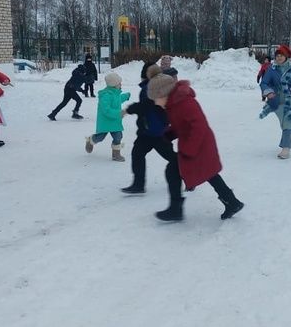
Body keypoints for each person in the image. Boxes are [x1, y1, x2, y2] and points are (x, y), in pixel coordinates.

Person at [146, 74, 244, 222]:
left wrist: (189, 150)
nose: (155, 102)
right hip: (195, 143)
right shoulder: (174, 103)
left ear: (163, 93)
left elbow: (199, 126)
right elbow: (183, 125)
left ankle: (175, 209)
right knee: (208, 173)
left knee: (175, 171)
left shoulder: (184, 103)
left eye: (155, 98)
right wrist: (168, 134)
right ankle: (232, 202)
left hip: (198, 144)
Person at [120, 62, 179, 198]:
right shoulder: (156, 86)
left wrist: (127, 110)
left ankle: (189, 175)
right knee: (138, 153)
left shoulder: (151, 87)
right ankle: (138, 184)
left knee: (171, 157)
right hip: (150, 131)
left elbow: (145, 106)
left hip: (155, 131)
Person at [259, 44, 291, 159]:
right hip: (277, 100)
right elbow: (264, 82)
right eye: (277, 56)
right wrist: (269, 92)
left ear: (286, 57)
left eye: (281, 55)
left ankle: (286, 148)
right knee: (284, 123)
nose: (279, 58)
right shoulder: (271, 69)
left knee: (287, 122)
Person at [85, 72, 130, 161]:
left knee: (118, 136)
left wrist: (126, 96)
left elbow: (118, 100)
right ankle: (91, 140)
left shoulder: (115, 93)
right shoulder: (106, 96)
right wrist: (119, 113)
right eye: (119, 83)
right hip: (105, 121)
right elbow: (106, 110)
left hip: (115, 122)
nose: (121, 84)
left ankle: (116, 154)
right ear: (114, 85)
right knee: (100, 137)